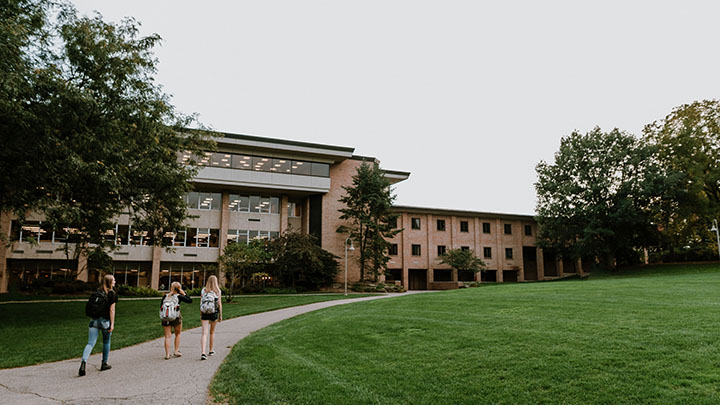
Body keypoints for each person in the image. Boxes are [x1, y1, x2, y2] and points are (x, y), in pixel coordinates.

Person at [79, 274, 117, 376]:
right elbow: (112, 309)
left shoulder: (97, 292)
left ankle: (83, 363)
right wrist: (112, 324)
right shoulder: (112, 294)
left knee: (90, 343)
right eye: (113, 280)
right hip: (105, 322)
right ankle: (104, 363)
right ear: (109, 282)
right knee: (106, 342)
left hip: (94, 321)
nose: (115, 282)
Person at [161, 281, 192, 359]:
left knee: (167, 336)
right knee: (177, 334)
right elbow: (189, 300)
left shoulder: (165, 296)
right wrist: (184, 293)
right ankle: (176, 351)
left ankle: (167, 354)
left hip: (166, 317)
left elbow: (161, 306)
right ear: (179, 288)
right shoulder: (179, 296)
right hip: (176, 317)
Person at [199, 275, 223, 360]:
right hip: (214, 312)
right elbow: (219, 304)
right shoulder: (217, 291)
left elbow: (201, 303)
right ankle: (211, 350)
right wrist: (220, 315)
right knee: (212, 332)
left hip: (205, 312)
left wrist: (201, 313)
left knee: (204, 333)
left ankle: (203, 353)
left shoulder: (203, 290)